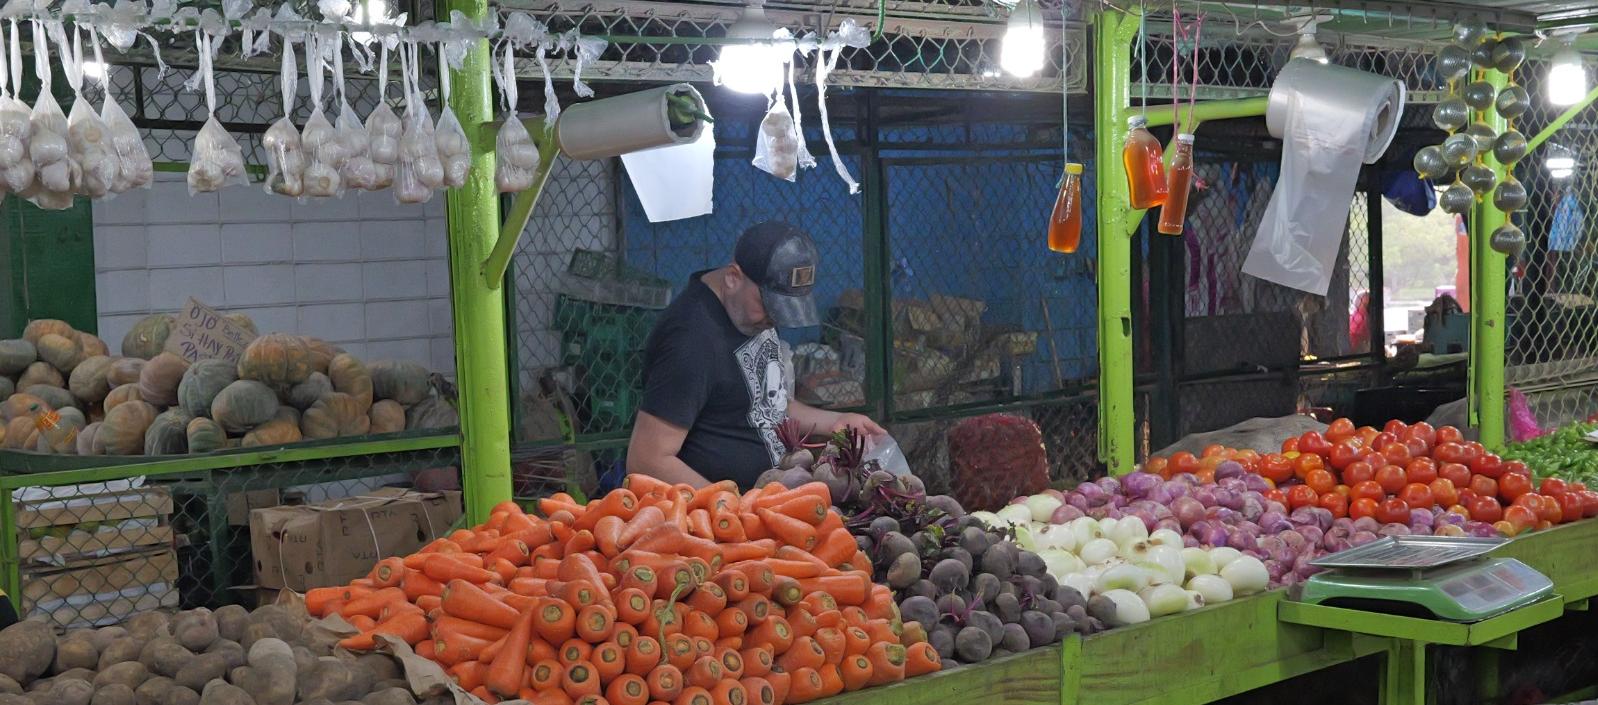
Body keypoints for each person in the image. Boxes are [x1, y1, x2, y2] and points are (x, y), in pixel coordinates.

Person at [627, 222, 884, 489]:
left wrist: (835, 422)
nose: (774, 320)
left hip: (765, 507)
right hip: (716, 520)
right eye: (769, 305)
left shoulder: (748, 314)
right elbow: (647, 459)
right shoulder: (691, 339)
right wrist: (732, 510)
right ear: (732, 278)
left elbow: (765, 404)